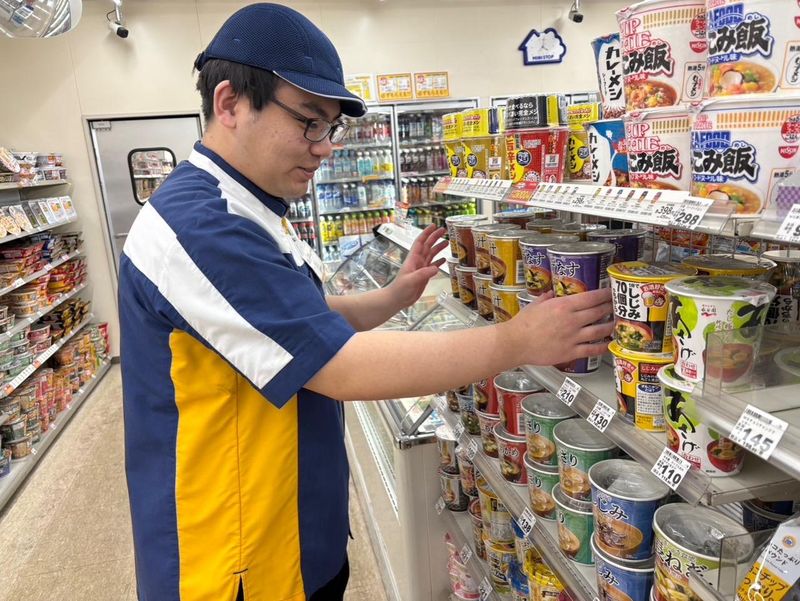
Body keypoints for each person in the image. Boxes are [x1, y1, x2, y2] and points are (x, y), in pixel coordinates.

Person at [118, 4, 613, 601]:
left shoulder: (249, 205)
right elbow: (340, 368)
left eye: (331, 129)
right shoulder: (201, 226)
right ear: (230, 104)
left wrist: (392, 296)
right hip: (232, 562)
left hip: (287, 526)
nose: (324, 148)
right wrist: (516, 341)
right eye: (310, 122)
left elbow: (299, 322)